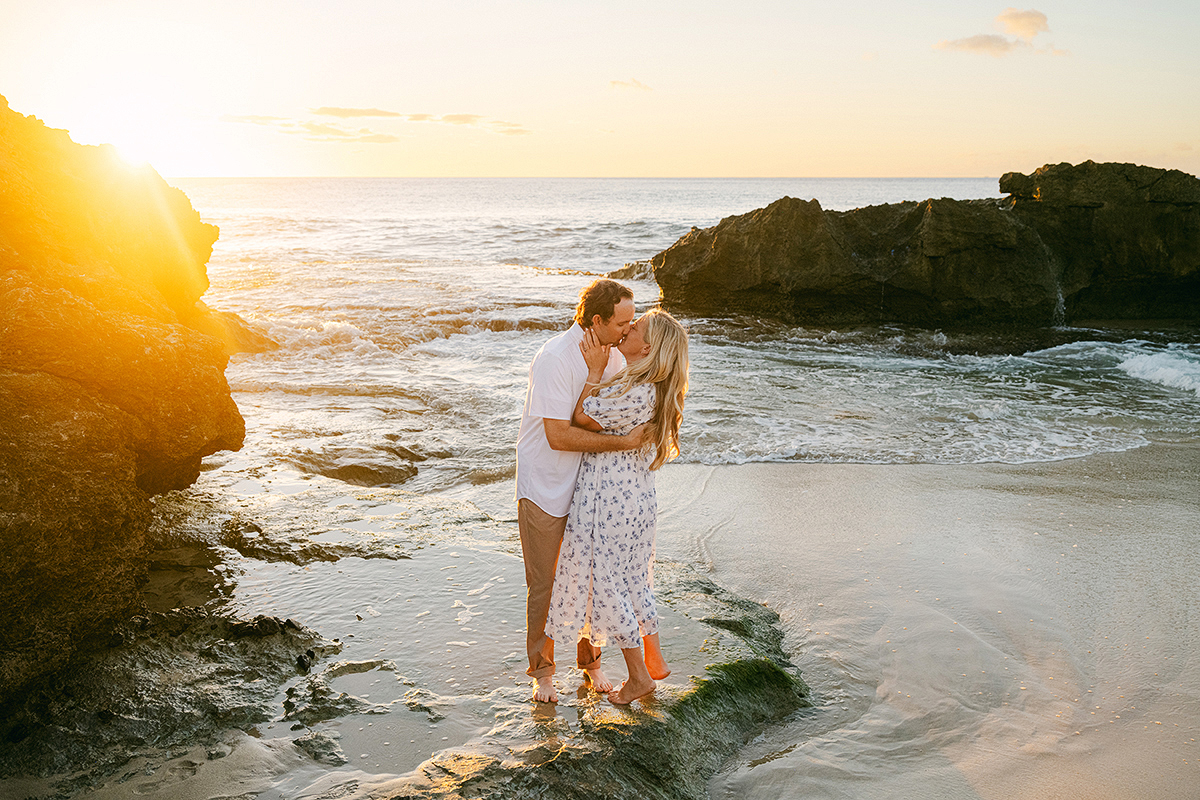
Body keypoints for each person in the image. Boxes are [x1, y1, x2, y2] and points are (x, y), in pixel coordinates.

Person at [546, 308, 689, 705]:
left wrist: (592, 373)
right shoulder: (655, 388)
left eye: (635, 327)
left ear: (648, 346)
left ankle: (639, 677)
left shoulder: (632, 390)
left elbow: (580, 417)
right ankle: (654, 660)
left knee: (606, 583)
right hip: (637, 497)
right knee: (633, 579)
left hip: (608, 499)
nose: (627, 329)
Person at [515, 278, 648, 704]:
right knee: (546, 583)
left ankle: (591, 664)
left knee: (589, 580)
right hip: (546, 485)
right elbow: (558, 435)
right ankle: (542, 673)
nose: (629, 330)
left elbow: (608, 414)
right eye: (623, 323)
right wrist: (624, 444)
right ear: (597, 320)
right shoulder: (555, 358)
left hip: (591, 490)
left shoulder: (611, 357)